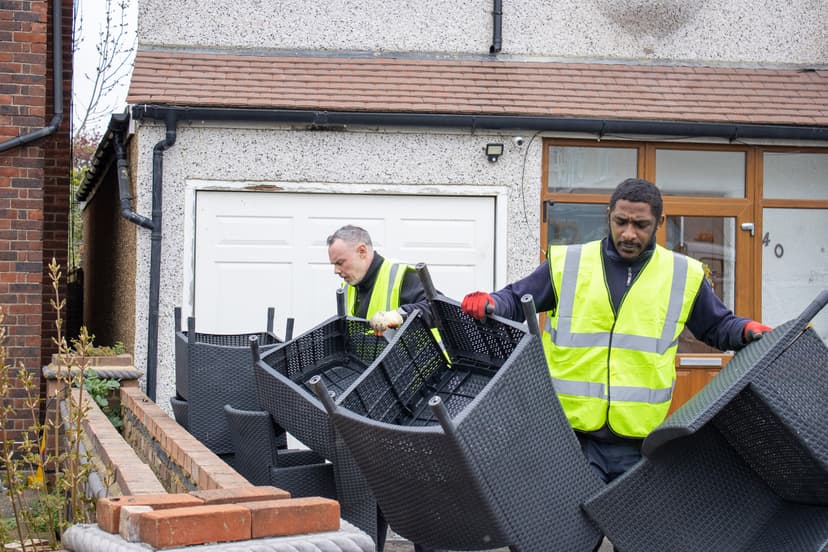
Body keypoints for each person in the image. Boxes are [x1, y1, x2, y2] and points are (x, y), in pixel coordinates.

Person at [461, 178, 772, 486]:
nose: (628, 233)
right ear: (608, 215)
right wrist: (492, 302)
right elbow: (517, 299)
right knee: (570, 533)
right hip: (569, 435)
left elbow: (716, 326)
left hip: (637, 441)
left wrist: (745, 330)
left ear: (659, 222)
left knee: (633, 531)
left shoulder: (684, 275)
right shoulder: (568, 263)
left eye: (641, 225)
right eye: (621, 221)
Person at [327, 224, 434, 334]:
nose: (336, 271)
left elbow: (437, 310)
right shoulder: (347, 287)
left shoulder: (400, 275)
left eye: (340, 263)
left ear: (362, 251)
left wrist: (400, 315)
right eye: (334, 264)